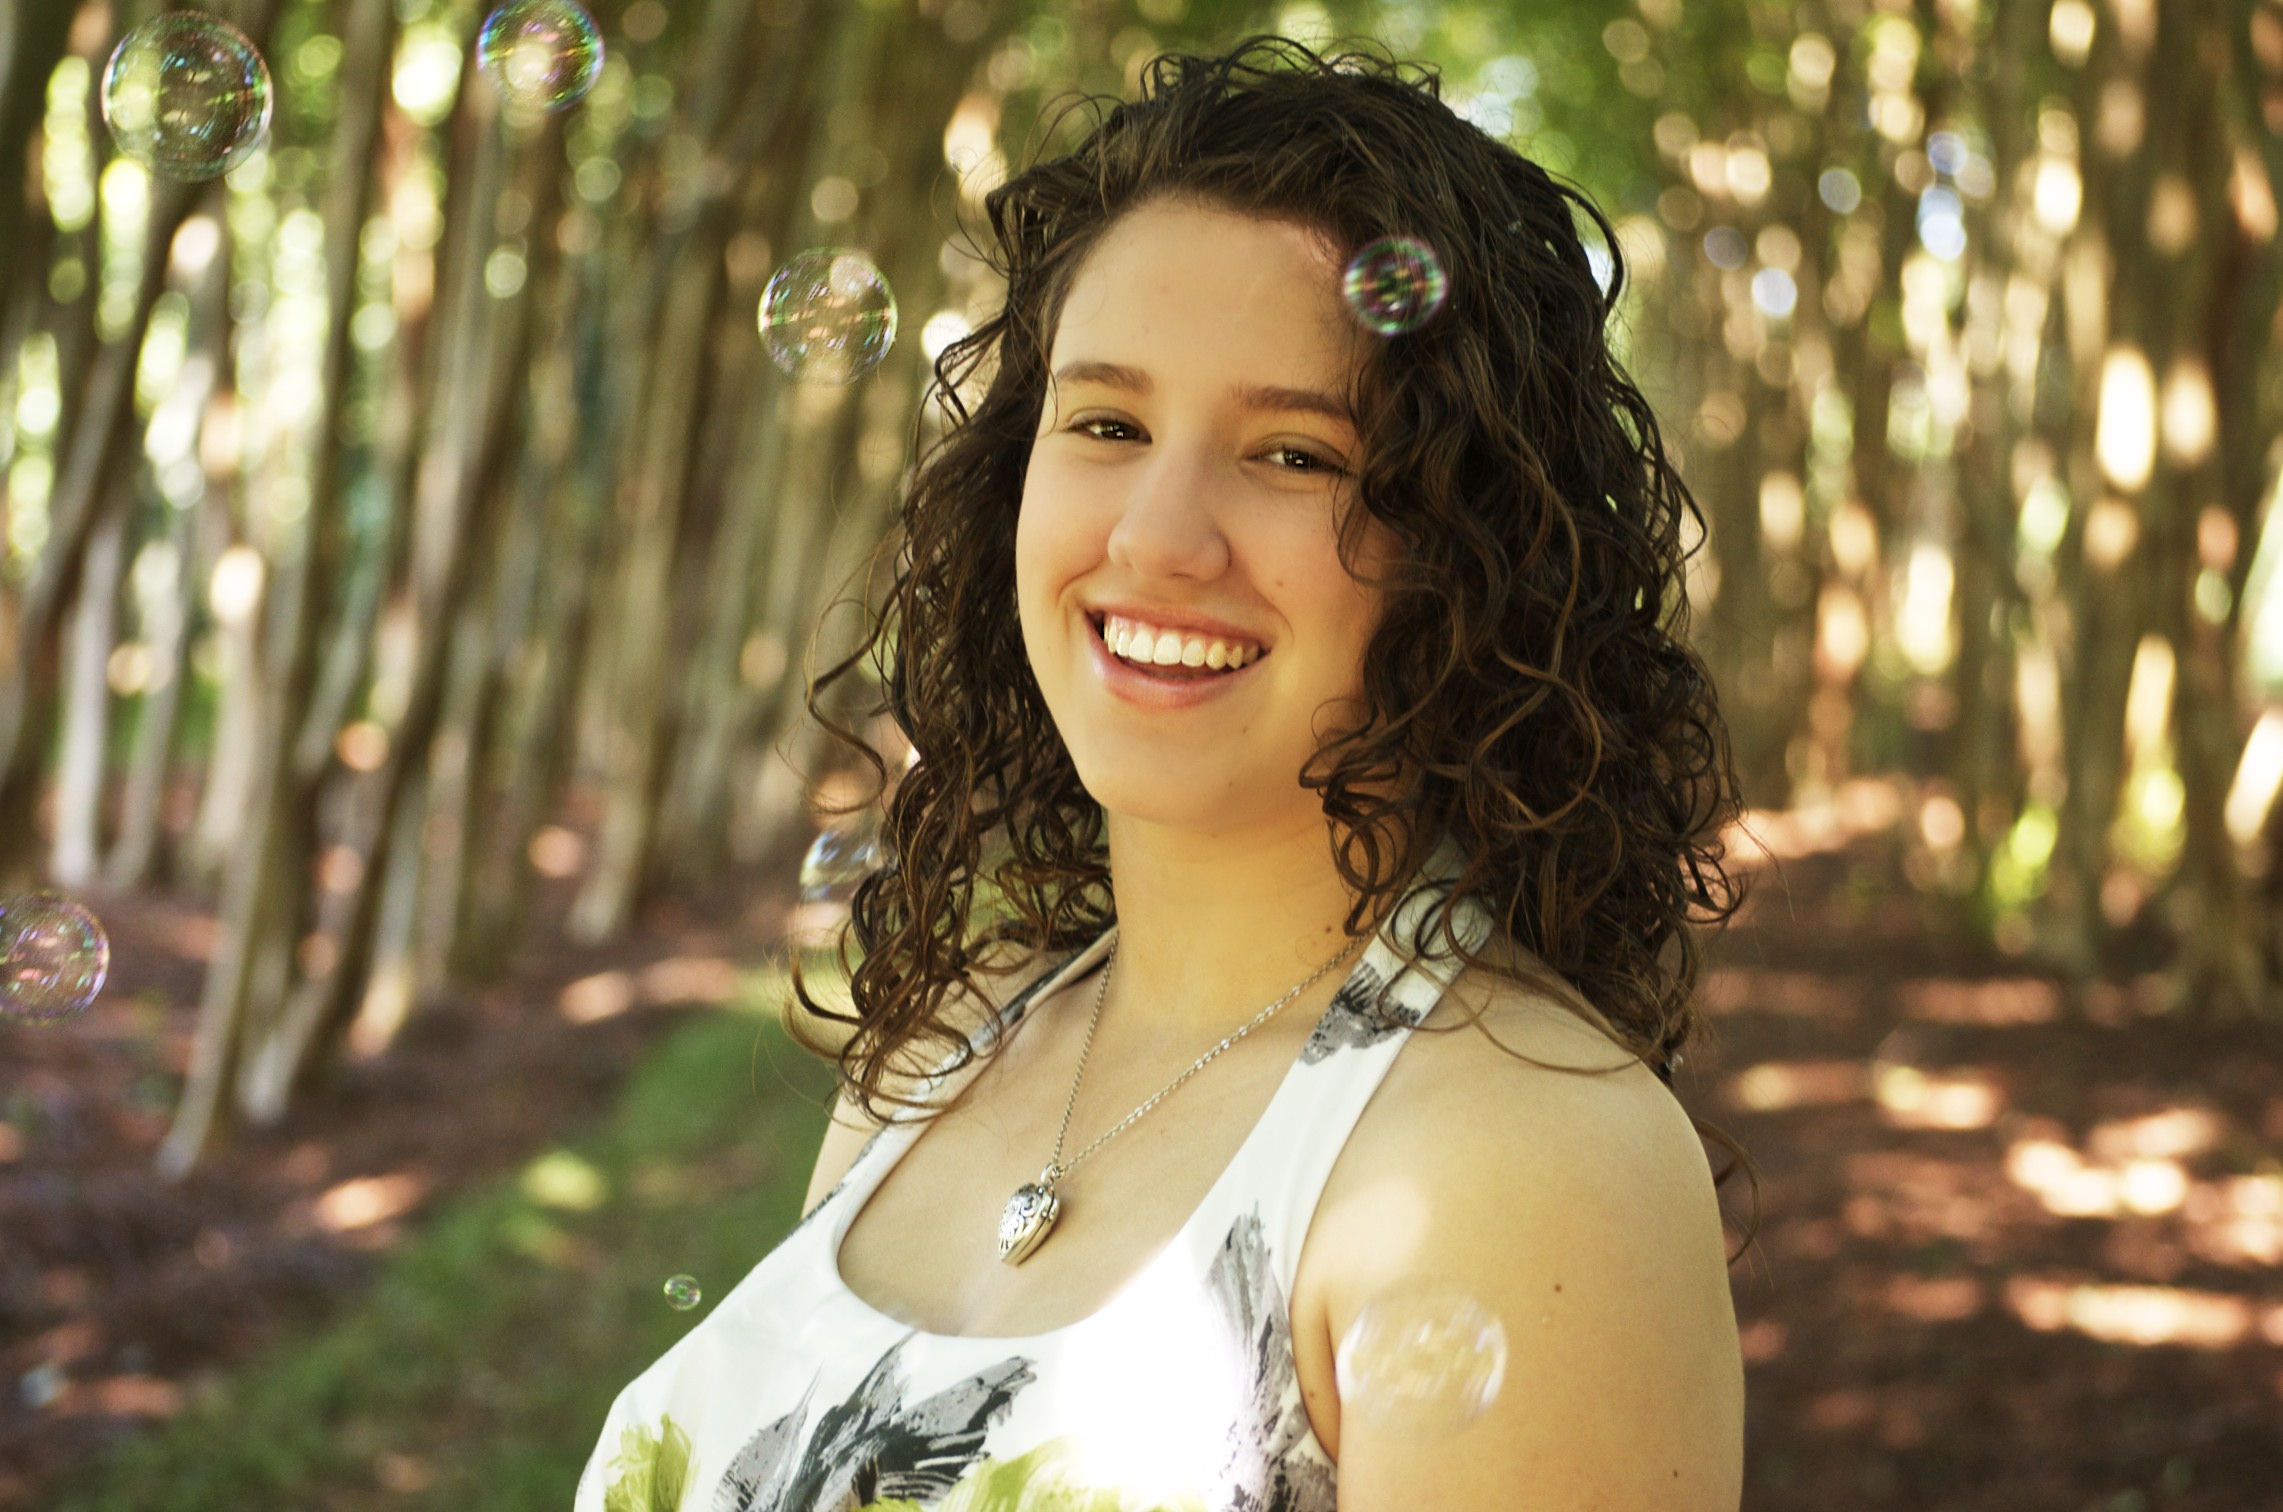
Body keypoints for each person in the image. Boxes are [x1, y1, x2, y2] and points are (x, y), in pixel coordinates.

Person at [579, 35, 1751, 1512]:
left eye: (1296, 454)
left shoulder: (1526, 1165)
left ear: (1475, 554)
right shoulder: (946, 1047)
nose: (1156, 535)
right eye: (1109, 425)